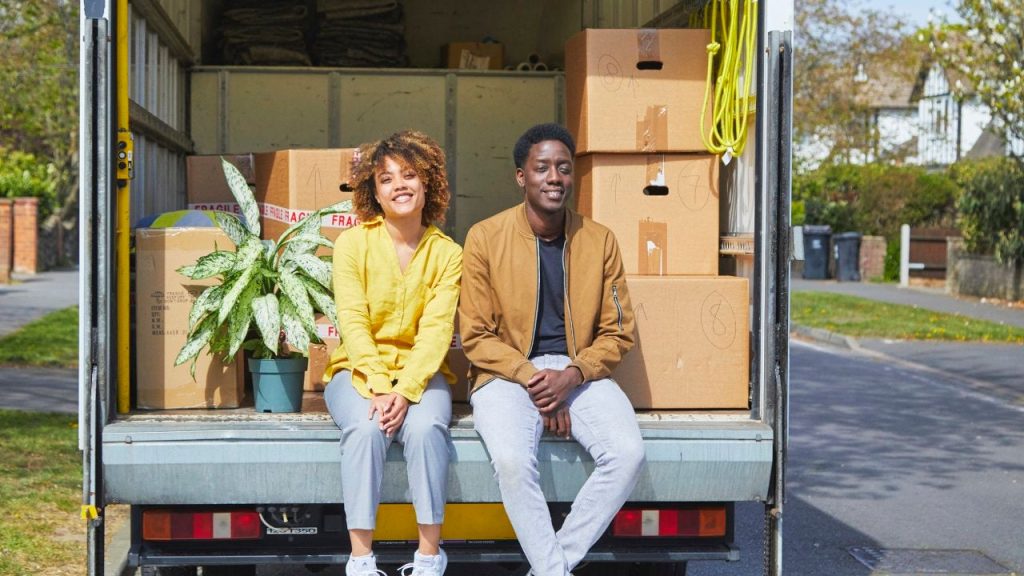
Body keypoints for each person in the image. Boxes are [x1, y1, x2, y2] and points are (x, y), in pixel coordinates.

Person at [459, 123, 645, 576]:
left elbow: (618, 331)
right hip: (506, 373)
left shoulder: (599, 240)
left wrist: (572, 376)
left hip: (579, 371)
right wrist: (537, 382)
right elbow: (476, 335)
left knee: (627, 454)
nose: (554, 178)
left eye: (563, 168)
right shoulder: (485, 237)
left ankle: (550, 567)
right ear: (521, 176)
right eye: (542, 168)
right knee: (511, 461)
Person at [323, 130, 462, 576]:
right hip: (357, 371)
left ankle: (429, 557)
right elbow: (353, 322)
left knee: (425, 430)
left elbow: (437, 331)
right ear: (374, 193)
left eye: (409, 175)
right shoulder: (352, 245)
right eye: (386, 179)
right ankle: (361, 559)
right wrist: (381, 387)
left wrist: (405, 391)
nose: (399, 185)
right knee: (366, 430)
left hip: (421, 374)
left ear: (428, 183)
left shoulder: (448, 254)